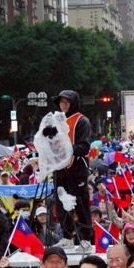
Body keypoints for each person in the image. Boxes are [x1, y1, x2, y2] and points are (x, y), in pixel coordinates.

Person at [49, 89, 94, 244]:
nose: (64, 105)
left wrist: (65, 149)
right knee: (62, 204)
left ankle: (85, 238)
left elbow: (84, 146)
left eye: (67, 102)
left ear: (73, 103)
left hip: (76, 169)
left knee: (80, 204)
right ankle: (67, 237)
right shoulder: (55, 121)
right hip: (59, 170)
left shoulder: (82, 121)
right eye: (61, 102)